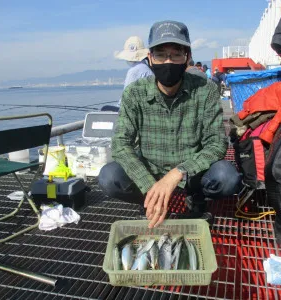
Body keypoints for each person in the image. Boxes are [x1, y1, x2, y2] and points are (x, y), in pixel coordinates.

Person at [98, 20, 241, 229]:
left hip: (192, 173)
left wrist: (177, 173)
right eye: (160, 55)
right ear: (149, 58)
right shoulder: (134, 93)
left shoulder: (206, 90)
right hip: (150, 168)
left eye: (176, 55)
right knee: (109, 177)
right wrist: (150, 185)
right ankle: (148, 200)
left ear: (187, 58)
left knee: (227, 178)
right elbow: (120, 144)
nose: (168, 62)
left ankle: (195, 197)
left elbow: (217, 143)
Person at [101, 36, 153, 111]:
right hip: (144, 108)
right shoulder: (146, 68)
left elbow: (125, 99)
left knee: (104, 109)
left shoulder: (134, 71)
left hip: (134, 111)